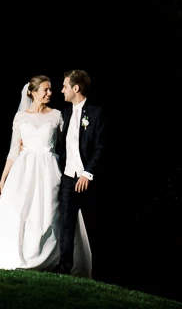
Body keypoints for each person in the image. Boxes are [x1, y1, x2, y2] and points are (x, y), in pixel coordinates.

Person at [0, 75, 67, 270]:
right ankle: (18, 256)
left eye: (50, 89)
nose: (50, 93)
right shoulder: (21, 117)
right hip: (23, 170)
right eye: (45, 89)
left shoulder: (56, 115)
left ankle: (50, 258)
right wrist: (3, 178)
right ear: (33, 93)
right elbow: (13, 151)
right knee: (20, 212)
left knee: (48, 212)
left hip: (48, 169)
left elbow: (63, 146)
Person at [55, 69, 105, 277]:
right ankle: (64, 268)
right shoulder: (65, 113)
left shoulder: (96, 112)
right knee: (66, 222)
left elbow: (101, 146)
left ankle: (99, 270)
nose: (62, 90)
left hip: (87, 178)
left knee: (93, 224)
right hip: (68, 176)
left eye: (65, 86)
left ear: (76, 88)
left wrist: (87, 173)